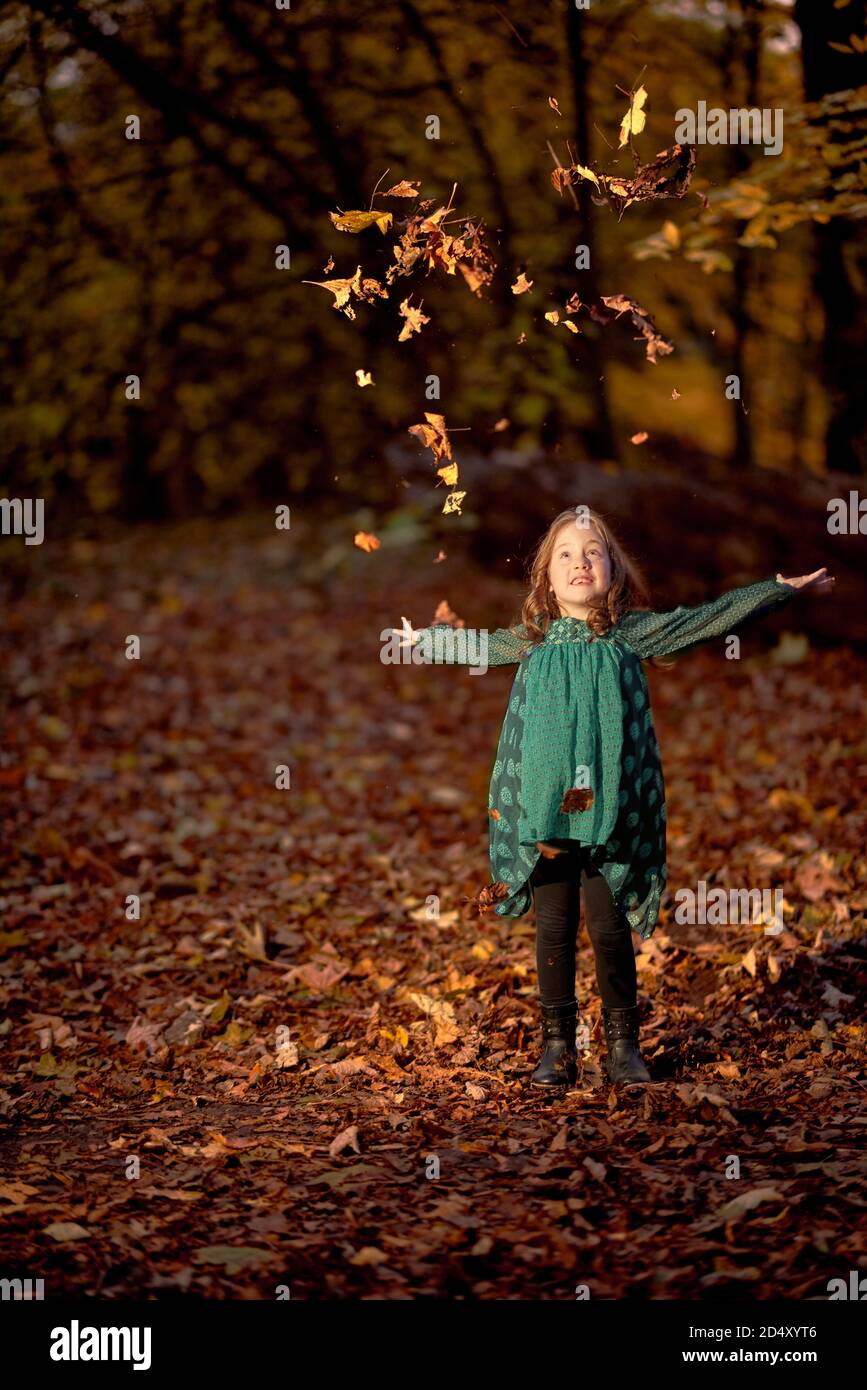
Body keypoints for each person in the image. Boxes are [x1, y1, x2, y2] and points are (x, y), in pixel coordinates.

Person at [392, 506, 834, 1090]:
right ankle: (557, 1049)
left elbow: (704, 619)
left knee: (607, 928)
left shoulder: (632, 633)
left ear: (613, 571)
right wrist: (424, 641)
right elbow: (476, 645)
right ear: (546, 578)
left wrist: (774, 592)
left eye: (593, 553)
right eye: (567, 555)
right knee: (553, 925)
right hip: (546, 809)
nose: (580, 563)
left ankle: (625, 1049)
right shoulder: (530, 639)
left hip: (610, 809)